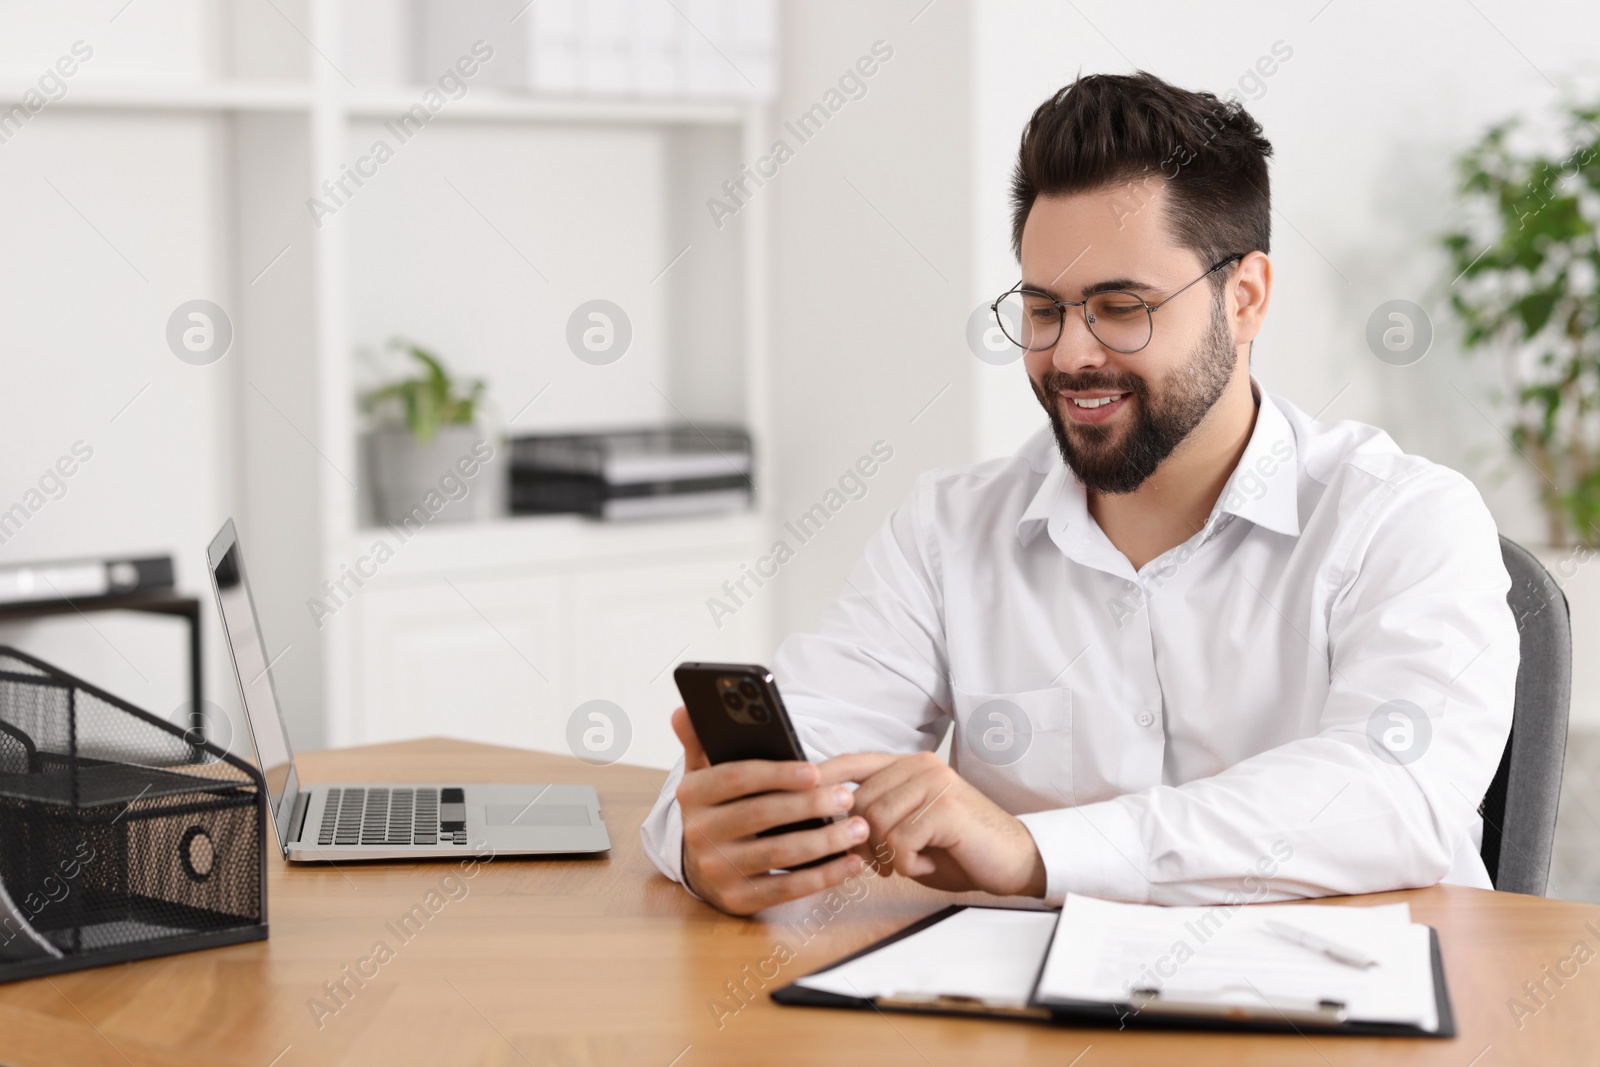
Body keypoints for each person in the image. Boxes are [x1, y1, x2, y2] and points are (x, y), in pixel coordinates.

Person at [641, 71, 1518, 917]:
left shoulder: (1405, 519)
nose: (1069, 355)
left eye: (1121, 305)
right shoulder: (948, 530)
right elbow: (805, 746)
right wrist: (711, 841)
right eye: (1044, 309)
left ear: (1244, 297)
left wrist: (1034, 852)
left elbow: (1395, 792)